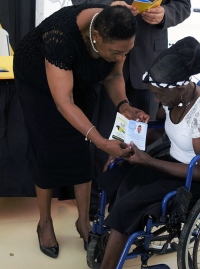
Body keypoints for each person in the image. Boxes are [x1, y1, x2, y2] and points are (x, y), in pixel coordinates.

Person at [13, 4, 149, 258]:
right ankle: (44, 223)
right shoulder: (60, 36)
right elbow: (64, 101)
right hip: (37, 85)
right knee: (47, 152)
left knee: (79, 147)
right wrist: (100, 140)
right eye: (117, 52)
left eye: (126, 52)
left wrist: (125, 106)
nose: (122, 57)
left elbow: (112, 76)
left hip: (79, 79)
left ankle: (83, 222)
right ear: (96, 37)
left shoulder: (116, 30)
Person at [95, 36, 200, 269]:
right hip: (174, 163)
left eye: (159, 95)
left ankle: (111, 256)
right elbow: (159, 134)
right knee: (119, 177)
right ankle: (119, 233)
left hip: (196, 180)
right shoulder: (172, 99)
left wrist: (149, 161)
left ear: (182, 87)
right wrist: (129, 142)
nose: (156, 100)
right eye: (154, 93)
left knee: (130, 203)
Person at [71, 0, 191, 219]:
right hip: (101, 54)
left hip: (147, 60)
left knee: (143, 140)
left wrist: (165, 14)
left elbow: (183, 4)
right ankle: (95, 203)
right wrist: (105, 7)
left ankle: (134, 201)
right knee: (101, 135)